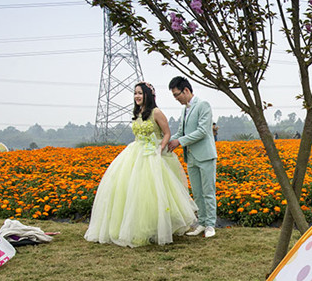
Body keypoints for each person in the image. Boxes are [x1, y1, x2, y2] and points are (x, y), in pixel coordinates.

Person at [85, 82, 198, 247]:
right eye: (135, 93)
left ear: (148, 95)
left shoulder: (156, 112)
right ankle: (133, 227)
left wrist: (160, 148)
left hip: (153, 154)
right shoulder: (137, 112)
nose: (137, 96)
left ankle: (157, 227)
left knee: (153, 192)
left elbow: (166, 133)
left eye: (140, 93)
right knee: (130, 191)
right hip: (135, 152)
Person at [168, 76, 218, 237]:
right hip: (191, 156)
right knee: (197, 192)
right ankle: (202, 223)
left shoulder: (203, 105)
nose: (176, 99)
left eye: (177, 95)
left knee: (208, 191)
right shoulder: (184, 110)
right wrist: (166, 141)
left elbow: (202, 131)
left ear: (186, 90)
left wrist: (179, 142)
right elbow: (181, 132)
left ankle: (210, 224)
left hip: (205, 156)